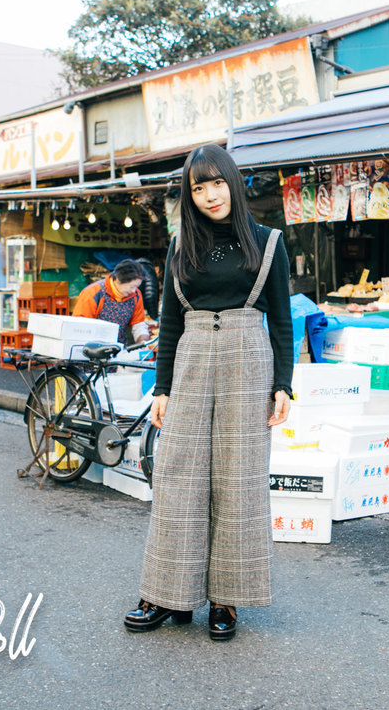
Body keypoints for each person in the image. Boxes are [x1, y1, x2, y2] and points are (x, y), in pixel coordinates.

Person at [124, 144, 293, 642]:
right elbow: (170, 320)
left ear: (234, 184)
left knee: (239, 480)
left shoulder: (268, 242)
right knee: (178, 475)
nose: (209, 195)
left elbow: (282, 319)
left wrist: (284, 383)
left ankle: (226, 599)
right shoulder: (182, 245)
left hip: (248, 358)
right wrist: (162, 387)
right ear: (188, 194)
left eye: (217, 183)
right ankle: (163, 592)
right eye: (198, 187)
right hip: (193, 355)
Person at [71, 259, 150, 345]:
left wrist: (143, 341)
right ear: (118, 279)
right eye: (132, 286)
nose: (134, 291)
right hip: (92, 349)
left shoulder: (136, 295)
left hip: (120, 349)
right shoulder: (93, 293)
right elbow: (80, 326)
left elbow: (138, 324)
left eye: (137, 287)